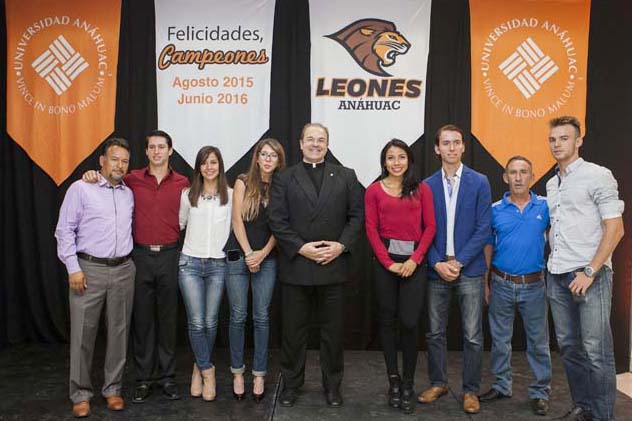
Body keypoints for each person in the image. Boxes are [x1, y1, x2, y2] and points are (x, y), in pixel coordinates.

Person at [83, 130, 189, 403]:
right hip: (139, 257)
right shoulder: (130, 179)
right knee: (142, 320)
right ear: (146, 152)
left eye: (161, 147)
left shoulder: (182, 182)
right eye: (151, 147)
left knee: (167, 320)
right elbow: (104, 181)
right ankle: (143, 379)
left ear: (170, 151)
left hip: (169, 256)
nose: (157, 151)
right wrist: (90, 174)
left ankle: (166, 378)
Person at [268, 123, 364, 408]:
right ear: (300, 144)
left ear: (327, 144)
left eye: (321, 140)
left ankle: (332, 387)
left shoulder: (346, 176)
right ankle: (291, 385)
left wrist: (341, 246)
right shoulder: (284, 178)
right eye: (310, 139)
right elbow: (277, 219)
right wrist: (301, 248)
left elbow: (357, 217)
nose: (315, 144)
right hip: (297, 266)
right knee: (293, 333)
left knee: (333, 333)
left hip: (332, 266)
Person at [546, 116, 624, 421]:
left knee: (596, 350)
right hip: (558, 275)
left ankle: (604, 415)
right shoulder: (553, 183)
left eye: (564, 138)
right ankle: (584, 407)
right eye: (553, 139)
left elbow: (615, 229)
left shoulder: (598, 175)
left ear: (579, 141)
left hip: (591, 275)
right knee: (569, 347)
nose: (557, 144)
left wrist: (590, 272)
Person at [55, 138, 135, 418]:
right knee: (82, 335)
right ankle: (80, 394)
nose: (120, 165)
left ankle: (113, 390)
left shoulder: (128, 193)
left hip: (124, 269)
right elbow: (64, 231)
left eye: (125, 161)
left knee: (118, 333)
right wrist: (73, 268)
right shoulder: (81, 188)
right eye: (114, 159)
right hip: (88, 270)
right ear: (101, 161)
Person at [418, 124, 491, 414]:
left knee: (473, 334)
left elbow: (484, 227)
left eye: (456, 142)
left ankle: (470, 390)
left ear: (463, 147)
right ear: (437, 149)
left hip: (469, 269)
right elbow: (422, 229)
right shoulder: (426, 185)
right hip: (436, 268)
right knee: (435, 333)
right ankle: (439, 382)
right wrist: (437, 261)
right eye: (445, 143)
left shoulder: (480, 181)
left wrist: (458, 262)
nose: (450, 147)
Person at [364, 139, 436, 413]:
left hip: (413, 264)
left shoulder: (422, 190)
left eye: (401, 157)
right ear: (384, 162)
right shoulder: (373, 191)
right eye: (391, 157)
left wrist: (415, 261)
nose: (396, 162)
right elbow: (371, 230)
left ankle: (408, 383)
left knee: (408, 322)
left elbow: (430, 227)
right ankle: (393, 381)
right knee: (387, 321)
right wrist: (388, 263)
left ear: (409, 160)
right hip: (385, 264)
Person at [479, 156, 552, 416]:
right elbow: (487, 244)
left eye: (524, 172)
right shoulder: (495, 209)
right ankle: (501, 385)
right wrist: (486, 281)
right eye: (513, 172)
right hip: (501, 283)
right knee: (500, 341)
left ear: (532, 176)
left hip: (534, 285)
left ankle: (540, 392)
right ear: (505, 177)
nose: (518, 177)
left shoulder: (546, 206)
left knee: (539, 343)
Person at [224, 138, 286, 402]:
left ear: (279, 160)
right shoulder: (242, 181)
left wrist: (263, 253)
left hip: (268, 258)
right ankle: (238, 373)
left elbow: (281, 227)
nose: (268, 159)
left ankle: (259, 374)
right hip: (239, 256)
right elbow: (236, 221)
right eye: (264, 154)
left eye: (273, 155)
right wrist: (250, 254)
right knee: (238, 317)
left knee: (261, 317)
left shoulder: (283, 186)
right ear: (257, 158)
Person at [179, 146, 232, 402]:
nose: (209, 167)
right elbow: (179, 224)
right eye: (204, 163)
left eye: (213, 162)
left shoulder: (231, 196)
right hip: (190, 263)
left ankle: (198, 367)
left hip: (218, 266)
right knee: (196, 322)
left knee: (211, 322)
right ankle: (208, 371)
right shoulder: (188, 195)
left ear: (220, 165)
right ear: (198, 167)